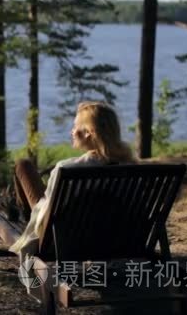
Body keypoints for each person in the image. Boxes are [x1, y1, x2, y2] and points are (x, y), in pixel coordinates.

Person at [9, 101, 135, 256]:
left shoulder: (67, 169)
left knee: (23, 165)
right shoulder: (131, 168)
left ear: (88, 132)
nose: (72, 131)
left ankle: (18, 211)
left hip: (63, 240)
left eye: (76, 127)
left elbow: (48, 210)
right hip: (115, 239)